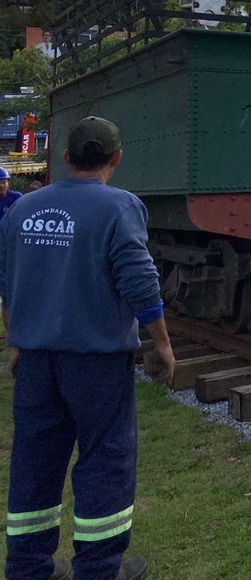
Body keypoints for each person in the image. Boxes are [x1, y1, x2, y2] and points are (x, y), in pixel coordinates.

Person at [0, 116, 176, 580]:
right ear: (115, 159)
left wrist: (15, 343)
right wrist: (160, 343)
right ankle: (99, 569)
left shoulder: (22, 209)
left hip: (37, 361)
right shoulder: (120, 206)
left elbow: (7, 282)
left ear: (65, 158)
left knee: (35, 461)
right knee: (105, 460)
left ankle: (27, 567)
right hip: (96, 364)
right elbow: (140, 281)